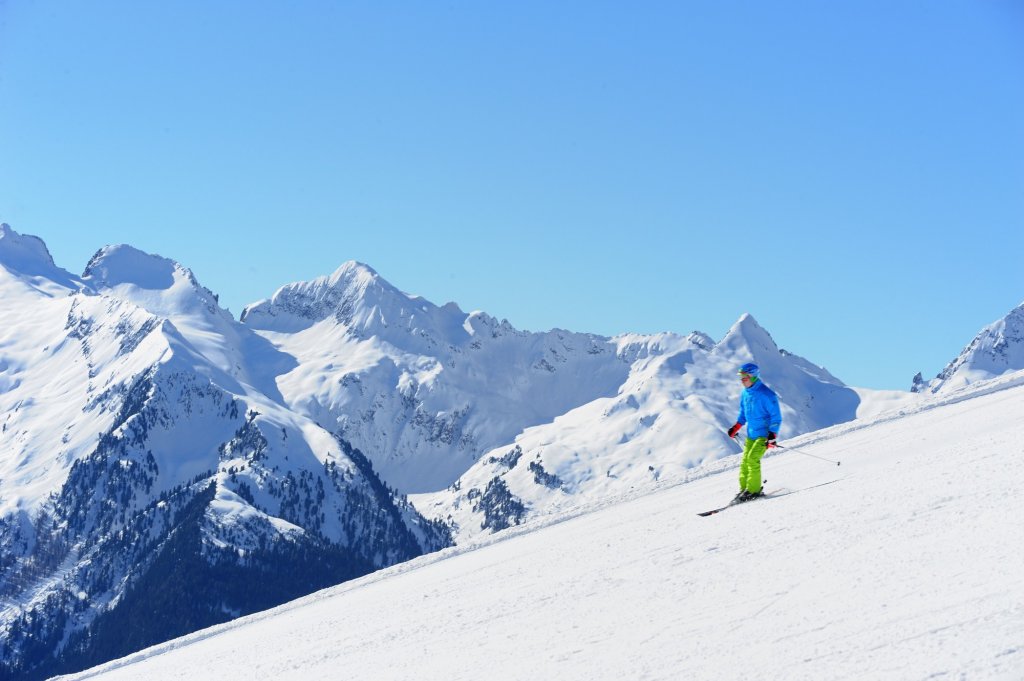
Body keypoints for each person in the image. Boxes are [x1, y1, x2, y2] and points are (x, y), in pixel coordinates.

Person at [726, 363, 782, 502]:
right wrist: (736, 427)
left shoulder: (766, 394)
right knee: (745, 462)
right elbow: (743, 413)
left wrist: (772, 434)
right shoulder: (745, 393)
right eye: (741, 377)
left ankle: (754, 490)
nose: (742, 380)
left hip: (764, 435)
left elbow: (776, 417)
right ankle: (745, 490)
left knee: (752, 459)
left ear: (753, 376)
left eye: (744, 376)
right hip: (751, 434)